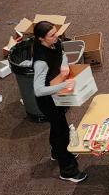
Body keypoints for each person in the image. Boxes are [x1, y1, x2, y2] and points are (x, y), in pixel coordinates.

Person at [31, 20, 87, 183]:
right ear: (41, 39)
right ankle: (68, 170)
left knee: (58, 125)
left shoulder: (56, 43)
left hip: (57, 93)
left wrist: (64, 66)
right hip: (48, 100)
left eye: (56, 33)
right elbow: (38, 90)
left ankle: (56, 152)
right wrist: (64, 84)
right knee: (61, 131)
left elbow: (62, 54)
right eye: (52, 35)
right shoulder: (40, 61)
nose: (57, 36)